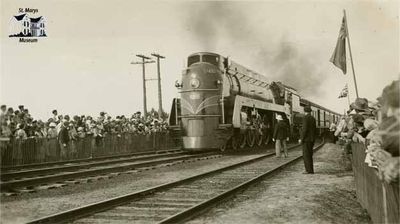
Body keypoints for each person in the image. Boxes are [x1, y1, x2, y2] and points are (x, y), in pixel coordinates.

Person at [299, 105, 316, 174]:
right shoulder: (313, 118)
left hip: (306, 139)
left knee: (306, 155)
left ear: (304, 111)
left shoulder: (305, 118)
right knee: (310, 154)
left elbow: (304, 129)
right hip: (312, 139)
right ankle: (311, 169)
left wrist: (301, 138)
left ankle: (308, 170)